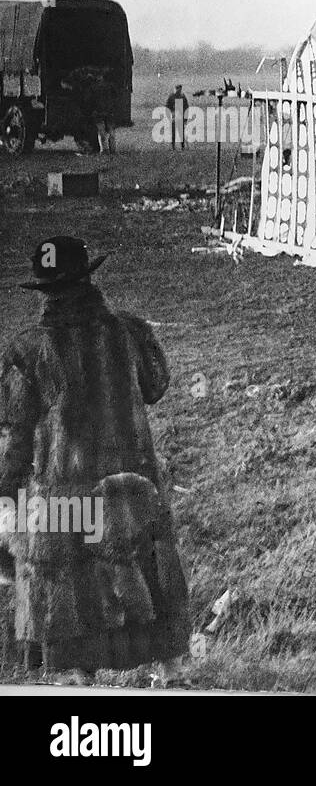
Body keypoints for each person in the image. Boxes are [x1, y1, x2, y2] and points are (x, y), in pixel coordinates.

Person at [0, 237, 189, 685]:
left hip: (65, 493)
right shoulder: (128, 331)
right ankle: (173, 672)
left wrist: (5, 490)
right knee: (146, 567)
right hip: (132, 484)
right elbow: (156, 385)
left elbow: (15, 435)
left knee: (72, 584)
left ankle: (79, 686)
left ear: (44, 292)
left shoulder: (25, 352)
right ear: (88, 279)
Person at [165, 84, 188, 151]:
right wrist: (169, 116)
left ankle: (182, 146)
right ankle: (173, 146)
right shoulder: (172, 96)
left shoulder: (183, 96)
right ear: (176, 89)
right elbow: (167, 107)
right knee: (173, 133)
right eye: (178, 89)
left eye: (180, 89)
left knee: (181, 133)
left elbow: (186, 107)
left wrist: (185, 118)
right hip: (174, 117)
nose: (179, 91)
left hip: (180, 117)